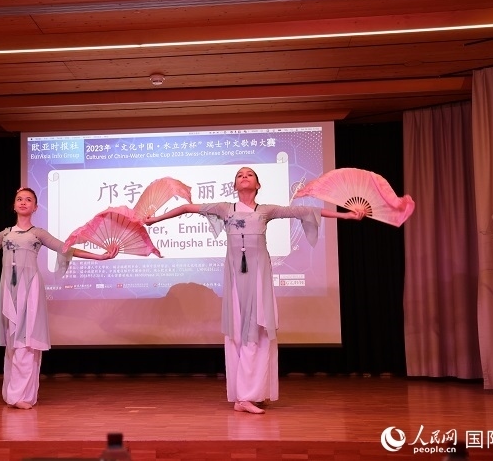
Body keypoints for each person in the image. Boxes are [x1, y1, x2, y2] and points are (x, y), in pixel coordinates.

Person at [145, 167, 364, 414]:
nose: (244, 177)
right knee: (240, 331)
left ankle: (254, 393)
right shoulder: (225, 209)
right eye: (240, 175)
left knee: (258, 329)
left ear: (258, 185)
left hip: (258, 274)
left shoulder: (265, 210)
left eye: (249, 174)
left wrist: (346, 215)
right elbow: (186, 208)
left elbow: (304, 211)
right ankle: (243, 397)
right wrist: (154, 220)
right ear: (234, 186)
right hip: (236, 277)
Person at [0, 187, 118, 409]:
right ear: (14, 205)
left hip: (30, 288)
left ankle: (21, 396)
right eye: (19, 199)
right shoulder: (6, 233)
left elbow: (66, 249)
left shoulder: (38, 233)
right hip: (9, 288)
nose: (23, 202)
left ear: (35, 207)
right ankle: (13, 394)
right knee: (13, 343)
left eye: (28, 200)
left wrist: (100, 257)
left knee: (27, 342)